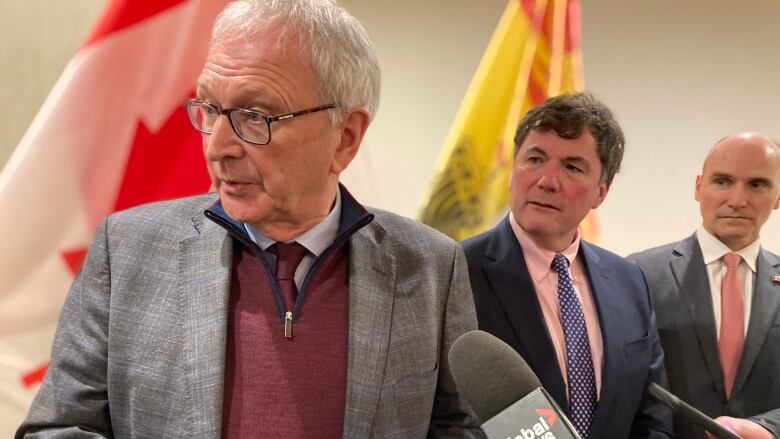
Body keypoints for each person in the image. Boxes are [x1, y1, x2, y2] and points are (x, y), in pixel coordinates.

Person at [16, 1, 483, 437]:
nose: (218, 147)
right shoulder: (126, 250)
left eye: (255, 116)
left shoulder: (432, 267)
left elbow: (460, 428)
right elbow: (58, 428)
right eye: (210, 110)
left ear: (345, 137)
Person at [462, 92, 673, 438]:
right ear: (513, 171)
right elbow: (438, 415)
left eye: (572, 167)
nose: (547, 181)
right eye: (534, 159)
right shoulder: (456, 271)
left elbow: (653, 415)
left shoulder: (629, 280)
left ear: (600, 193)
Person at [629, 133, 780, 439]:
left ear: (778, 197)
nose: (737, 200)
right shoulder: (637, 274)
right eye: (723, 181)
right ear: (699, 187)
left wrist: (766, 429)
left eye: (757, 184)